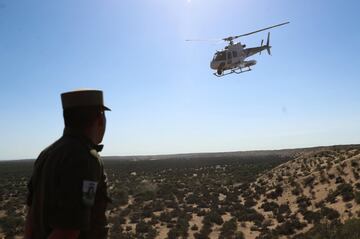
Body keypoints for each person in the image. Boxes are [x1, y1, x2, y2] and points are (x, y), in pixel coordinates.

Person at [24, 89, 111, 239]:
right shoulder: (86, 158)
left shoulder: (47, 153)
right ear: (100, 118)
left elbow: (32, 217)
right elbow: (68, 231)